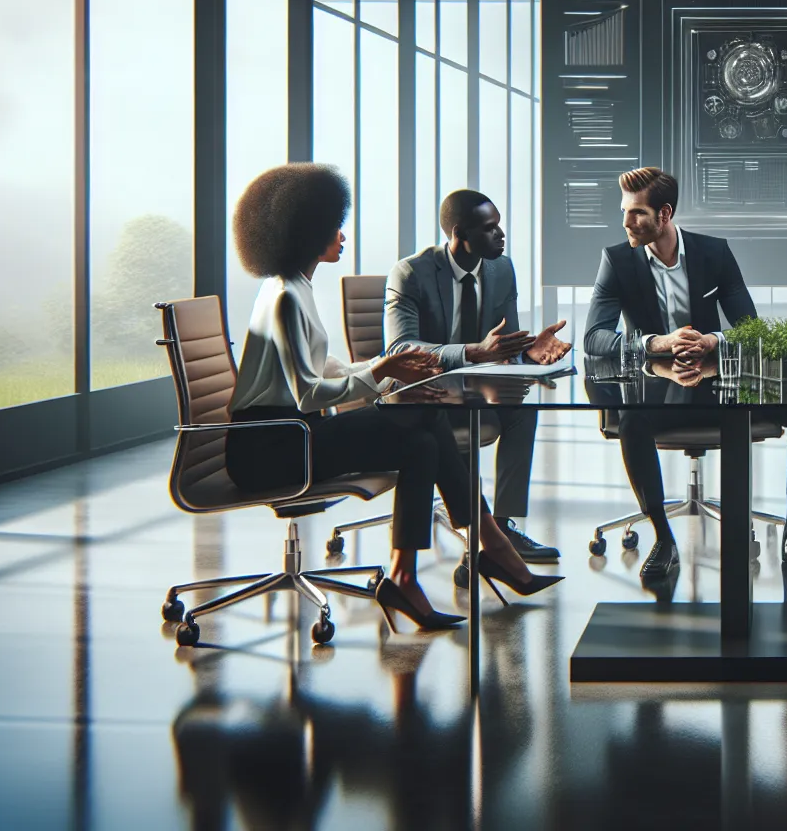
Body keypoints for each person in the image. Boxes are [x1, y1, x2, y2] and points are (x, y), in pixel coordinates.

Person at [225, 164, 559, 634]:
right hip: (273, 445)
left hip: (293, 434)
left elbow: (325, 367)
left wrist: (383, 372)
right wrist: (382, 371)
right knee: (425, 424)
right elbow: (308, 394)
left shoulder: (293, 288)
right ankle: (492, 545)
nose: (342, 236)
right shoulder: (285, 298)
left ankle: (406, 576)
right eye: (333, 228)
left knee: (420, 443)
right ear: (306, 233)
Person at [584, 166, 787, 583]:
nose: (626, 221)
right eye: (624, 211)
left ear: (664, 214)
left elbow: (750, 328)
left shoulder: (713, 253)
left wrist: (714, 340)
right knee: (632, 421)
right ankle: (663, 537)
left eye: (636, 213)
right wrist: (657, 343)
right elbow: (594, 338)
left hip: (721, 390)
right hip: (657, 392)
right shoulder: (617, 260)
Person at [384, 189, 572, 564]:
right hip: (425, 393)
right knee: (460, 423)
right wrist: (471, 352)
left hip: (476, 389)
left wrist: (528, 353)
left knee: (522, 412)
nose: (500, 235)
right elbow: (400, 348)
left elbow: (504, 346)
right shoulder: (411, 273)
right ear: (460, 234)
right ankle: (482, 535)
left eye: (498, 225)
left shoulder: (502, 270)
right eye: (489, 228)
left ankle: (501, 529)